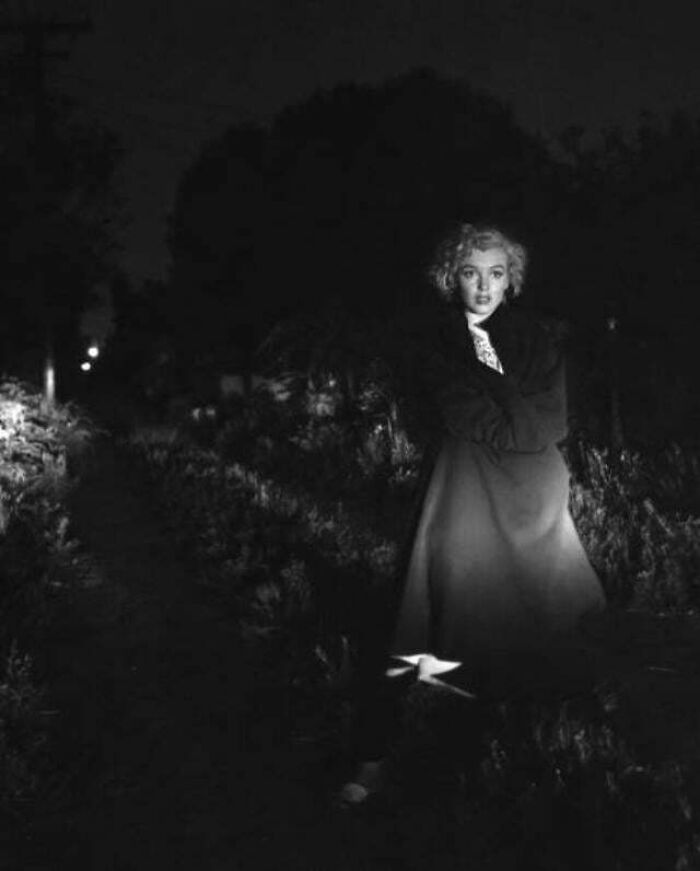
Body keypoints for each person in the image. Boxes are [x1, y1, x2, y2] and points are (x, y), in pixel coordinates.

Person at [338, 222, 605, 805]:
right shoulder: (435, 346)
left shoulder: (539, 340)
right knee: (428, 611)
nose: (483, 286)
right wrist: (514, 403)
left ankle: (536, 755)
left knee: (543, 615)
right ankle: (377, 754)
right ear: (449, 279)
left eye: (496, 273)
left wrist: (499, 392)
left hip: (533, 495)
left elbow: (549, 426)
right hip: (463, 487)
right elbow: (472, 419)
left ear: (512, 282)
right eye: (469, 273)